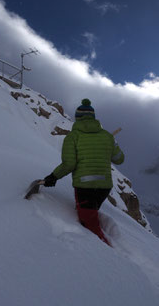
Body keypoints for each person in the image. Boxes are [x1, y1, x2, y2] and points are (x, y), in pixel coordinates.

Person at [44, 98, 124, 246]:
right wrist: (113, 145)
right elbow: (120, 159)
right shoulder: (107, 136)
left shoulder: (73, 137)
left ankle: (108, 253)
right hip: (104, 188)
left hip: (85, 188)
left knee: (90, 226)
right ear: (93, 118)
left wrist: (53, 177)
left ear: (77, 118)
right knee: (88, 215)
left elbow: (69, 164)